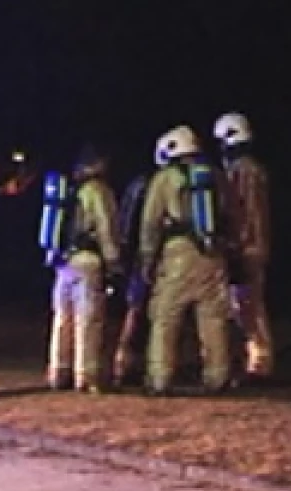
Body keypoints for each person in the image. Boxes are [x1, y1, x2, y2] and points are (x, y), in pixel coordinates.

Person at [140, 125, 232, 395]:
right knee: (213, 317)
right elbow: (229, 212)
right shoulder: (215, 175)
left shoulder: (165, 178)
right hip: (213, 252)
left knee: (165, 317)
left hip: (178, 253)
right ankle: (218, 376)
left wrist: (147, 258)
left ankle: (160, 377)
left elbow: (150, 222)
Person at [45, 144, 123, 393]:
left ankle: (58, 372)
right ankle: (86, 375)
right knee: (87, 319)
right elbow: (106, 227)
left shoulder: (69, 189)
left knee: (62, 318)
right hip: (89, 260)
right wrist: (113, 262)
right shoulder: (98, 191)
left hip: (63, 260)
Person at [214, 112, 275, 383]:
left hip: (246, 246)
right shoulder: (254, 169)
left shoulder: (241, 171)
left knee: (247, 307)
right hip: (255, 245)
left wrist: (234, 245)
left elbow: (240, 213)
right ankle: (254, 360)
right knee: (248, 306)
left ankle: (258, 364)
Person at [110, 155, 155, 386]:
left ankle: (125, 364)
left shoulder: (138, 184)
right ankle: (128, 364)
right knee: (141, 314)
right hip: (151, 258)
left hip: (139, 258)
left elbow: (126, 224)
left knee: (136, 312)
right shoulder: (154, 185)